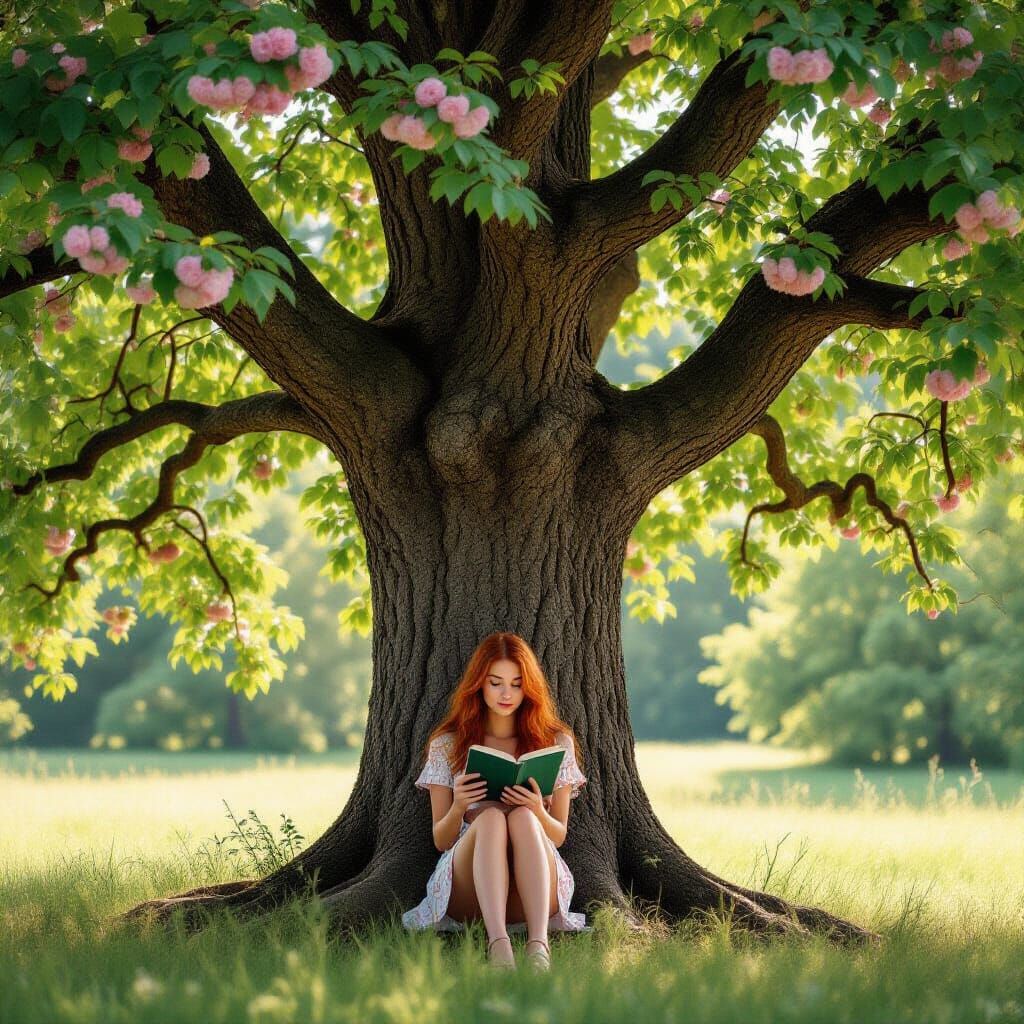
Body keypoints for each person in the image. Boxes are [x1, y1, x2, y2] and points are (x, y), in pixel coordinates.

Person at [402, 631, 588, 969]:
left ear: (529, 687)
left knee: (521, 817)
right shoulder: (447, 745)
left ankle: (538, 944)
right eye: (496, 683)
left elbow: (558, 835)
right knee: (489, 818)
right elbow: (442, 841)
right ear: (479, 684)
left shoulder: (557, 743)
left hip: (535, 891)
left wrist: (535, 809)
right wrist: (460, 806)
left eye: (517, 684)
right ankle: (498, 943)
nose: (507, 694)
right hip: (469, 891)